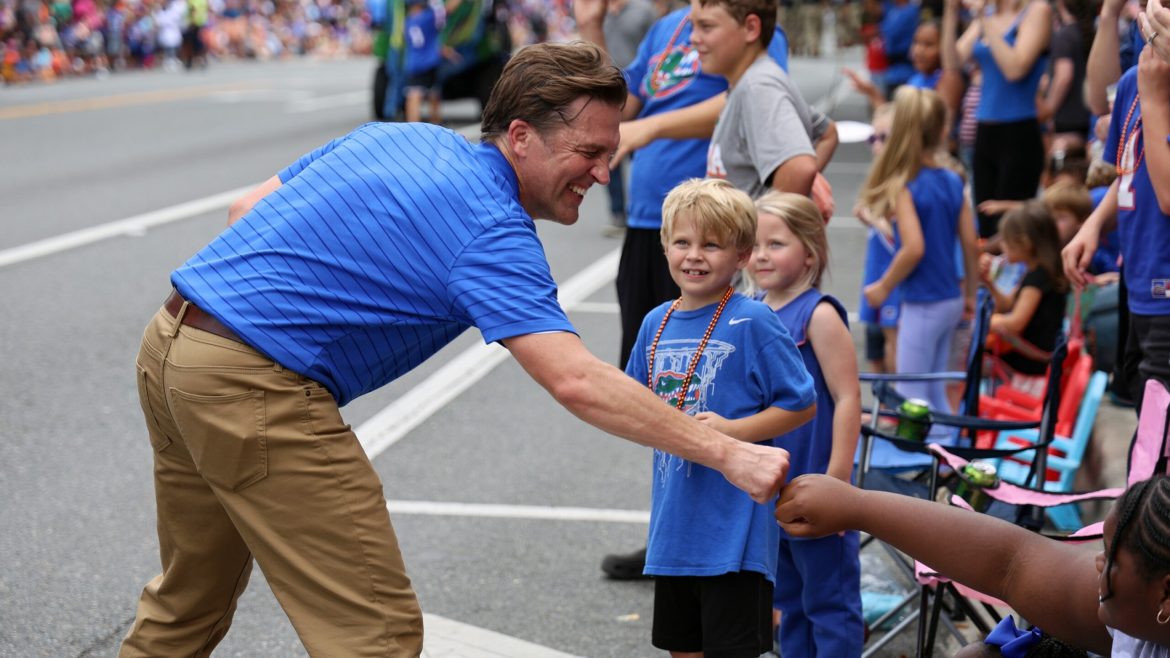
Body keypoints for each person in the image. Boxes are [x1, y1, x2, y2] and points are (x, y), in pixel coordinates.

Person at [118, 41, 798, 658]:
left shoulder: (401, 137)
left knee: (186, 606)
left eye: (608, 149)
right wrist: (728, 452)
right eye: (589, 151)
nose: (602, 169)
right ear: (522, 137)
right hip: (250, 386)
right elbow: (576, 380)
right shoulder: (494, 231)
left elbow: (246, 209)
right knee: (374, 636)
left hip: (172, 347)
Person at [573, 0, 798, 580]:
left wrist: (653, 128)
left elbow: (753, 109)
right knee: (661, 382)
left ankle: (727, 546)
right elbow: (619, 107)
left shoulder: (740, 30)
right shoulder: (665, 31)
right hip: (653, 226)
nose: (697, 32)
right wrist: (591, 27)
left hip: (709, 232)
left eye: (705, 25)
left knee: (725, 390)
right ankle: (672, 534)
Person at [627, 178, 816, 657]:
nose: (694, 255)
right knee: (681, 648)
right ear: (665, 246)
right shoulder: (656, 322)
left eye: (712, 244)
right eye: (683, 242)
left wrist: (733, 434)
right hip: (672, 529)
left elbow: (801, 402)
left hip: (735, 535)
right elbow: (632, 401)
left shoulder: (753, 318)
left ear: (742, 255)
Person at [775, 473, 1170, 657]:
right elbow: (1010, 563)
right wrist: (855, 506)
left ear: (1165, 593)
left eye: (1111, 557)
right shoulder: (1140, 621)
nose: (1095, 561)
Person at [750, 191, 864, 656]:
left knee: (830, 601)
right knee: (790, 600)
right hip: (772, 485)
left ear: (810, 252)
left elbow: (848, 397)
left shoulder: (818, 313)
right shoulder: (754, 307)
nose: (761, 255)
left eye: (776, 244)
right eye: (755, 245)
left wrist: (838, 481)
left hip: (816, 482)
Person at [1063, 32, 1170, 412]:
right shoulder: (1134, 79)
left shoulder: (1156, 84)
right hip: (1137, 278)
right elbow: (1129, 171)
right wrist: (1093, 224)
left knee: (1158, 439)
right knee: (1143, 412)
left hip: (1165, 289)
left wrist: (1156, 97)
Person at [859, 86, 979, 424]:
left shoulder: (906, 186)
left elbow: (913, 248)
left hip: (923, 302)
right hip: (951, 298)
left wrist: (883, 286)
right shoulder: (953, 179)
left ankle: (921, 459)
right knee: (937, 385)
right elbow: (970, 243)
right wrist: (969, 292)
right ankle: (944, 450)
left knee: (911, 388)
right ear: (942, 130)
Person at [695, 0, 820, 201]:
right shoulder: (752, 82)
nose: (693, 38)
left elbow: (800, 168)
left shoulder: (758, 87)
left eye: (706, 27)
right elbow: (825, 131)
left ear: (751, 28)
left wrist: (765, 228)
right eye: (693, 26)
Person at [948, 0, 1053, 238]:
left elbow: (1015, 68)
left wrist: (984, 19)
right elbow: (952, 63)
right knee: (984, 226)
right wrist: (950, 13)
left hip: (1019, 130)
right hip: (985, 131)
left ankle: (1014, 275)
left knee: (1012, 230)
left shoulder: (1036, 11)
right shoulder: (987, 14)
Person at [979, 201, 1070, 393]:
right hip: (1031, 351)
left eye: (1006, 240)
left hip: (1031, 359)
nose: (1002, 245)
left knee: (968, 354)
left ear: (1025, 243)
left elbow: (1015, 322)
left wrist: (982, 321)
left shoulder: (1038, 276)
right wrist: (988, 282)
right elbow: (1008, 304)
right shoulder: (1038, 269)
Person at [600, 0, 656, 236]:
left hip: (637, 90)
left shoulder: (643, 11)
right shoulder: (596, 12)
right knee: (607, 157)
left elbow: (656, 53)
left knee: (639, 153)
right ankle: (617, 213)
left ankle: (639, 208)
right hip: (608, 90)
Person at [856, 104, 901, 374]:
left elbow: (904, 238)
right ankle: (885, 410)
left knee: (892, 342)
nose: (876, 146)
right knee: (876, 346)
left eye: (883, 138)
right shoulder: (880, 177)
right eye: (873, 138)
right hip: (876, 272)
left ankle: (895, 410)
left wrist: (872, 218)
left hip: (892, 277)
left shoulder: (902, 183)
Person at [403, 0, 443, 124]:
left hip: (414, 61)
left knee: (414, 94)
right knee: (431, 95)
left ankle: (412, 125)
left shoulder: (408, 21)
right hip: (430, 61)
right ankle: (436, 126)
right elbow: (444, 14)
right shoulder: (427, 18)